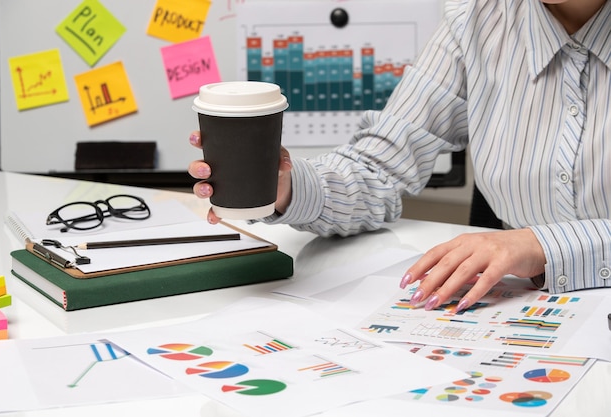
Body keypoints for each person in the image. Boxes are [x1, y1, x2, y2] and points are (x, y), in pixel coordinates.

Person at [189, 0, 611, 312]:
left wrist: (540, 243)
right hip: (517, 306)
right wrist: (283, 184)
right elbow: (380, 167)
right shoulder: (477, 20)